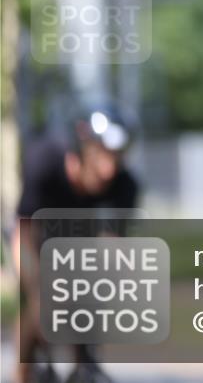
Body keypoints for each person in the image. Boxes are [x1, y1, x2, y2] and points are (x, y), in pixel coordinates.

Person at [13, 105, 140, 383]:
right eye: (101, 156)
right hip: (33, 237)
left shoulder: (124, 186)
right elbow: (23, 235)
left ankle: (85, 363)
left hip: (80, 244)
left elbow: (112, 248)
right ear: (81, 150)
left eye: (116, 158)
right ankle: (25, 369)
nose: (108, 170)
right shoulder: (44, 162)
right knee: (41, 298)